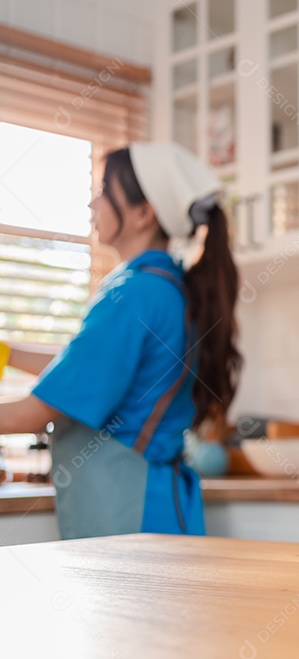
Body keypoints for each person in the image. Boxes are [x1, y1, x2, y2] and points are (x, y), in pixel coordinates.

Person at [0, 142, 241, 539]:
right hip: (159, 506)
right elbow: (89, 369)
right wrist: (8, 353)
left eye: (102, 192)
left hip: (132, 512)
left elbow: (33, 414)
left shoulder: (133, 294)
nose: (91, 206)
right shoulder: (168, 290)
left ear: (143, 214)